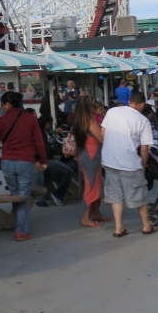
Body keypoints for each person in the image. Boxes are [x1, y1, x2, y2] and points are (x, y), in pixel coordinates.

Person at [0, 91, 47, 241]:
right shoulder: (30, 119)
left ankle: (18, 225)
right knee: (23, 197)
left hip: (7, 162)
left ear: (9, 104)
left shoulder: (1, 121)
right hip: (25, 161)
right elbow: (38, 142)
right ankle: (21, 230)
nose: (2, 107)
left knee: (15, 195)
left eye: (3, 104)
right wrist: (43, 160)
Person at [101, 91, 156, 237]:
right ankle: (146, 226)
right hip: (130, 163)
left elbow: (102, 133)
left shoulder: (112, 112)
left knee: (115, 196)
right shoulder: (143, 120)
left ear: (129, 101)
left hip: (110, 160)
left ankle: (118, 228)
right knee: (139, 195)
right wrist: (143, 166)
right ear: (142, 104)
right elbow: (145, 148)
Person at [72, 95, 108, 227]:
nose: (95, 106)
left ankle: (95, 213)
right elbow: (101, 138)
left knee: (95, 184)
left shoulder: (80, 119)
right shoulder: (90, 120)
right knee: (91, 186)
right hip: (92, 155)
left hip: (86, 154)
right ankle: (86, 218)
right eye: (93, 105)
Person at [37, 115, 77, 207]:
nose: (52, 125)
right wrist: (62, 151)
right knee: (68, 171)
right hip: (47, 159)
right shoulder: (41, 135)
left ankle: (59, 181)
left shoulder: (48, 132)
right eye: (51, 123)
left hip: (56, 157)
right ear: (47, 124)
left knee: (74, 165)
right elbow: (47, 150)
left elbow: (53, 140)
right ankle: (58, 194)